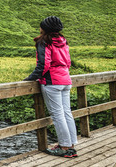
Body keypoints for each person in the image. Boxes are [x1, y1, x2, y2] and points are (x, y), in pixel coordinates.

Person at [24, 16, 78, 158]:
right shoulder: (63, 40)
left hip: (52, 81)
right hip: (66, 79)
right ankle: (71, 145)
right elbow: (68, 62)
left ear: (44, 29)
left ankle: (65, 147)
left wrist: (30, 78)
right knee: (67, 113)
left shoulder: (44, 42)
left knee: (58, 115)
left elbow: (44, 64)